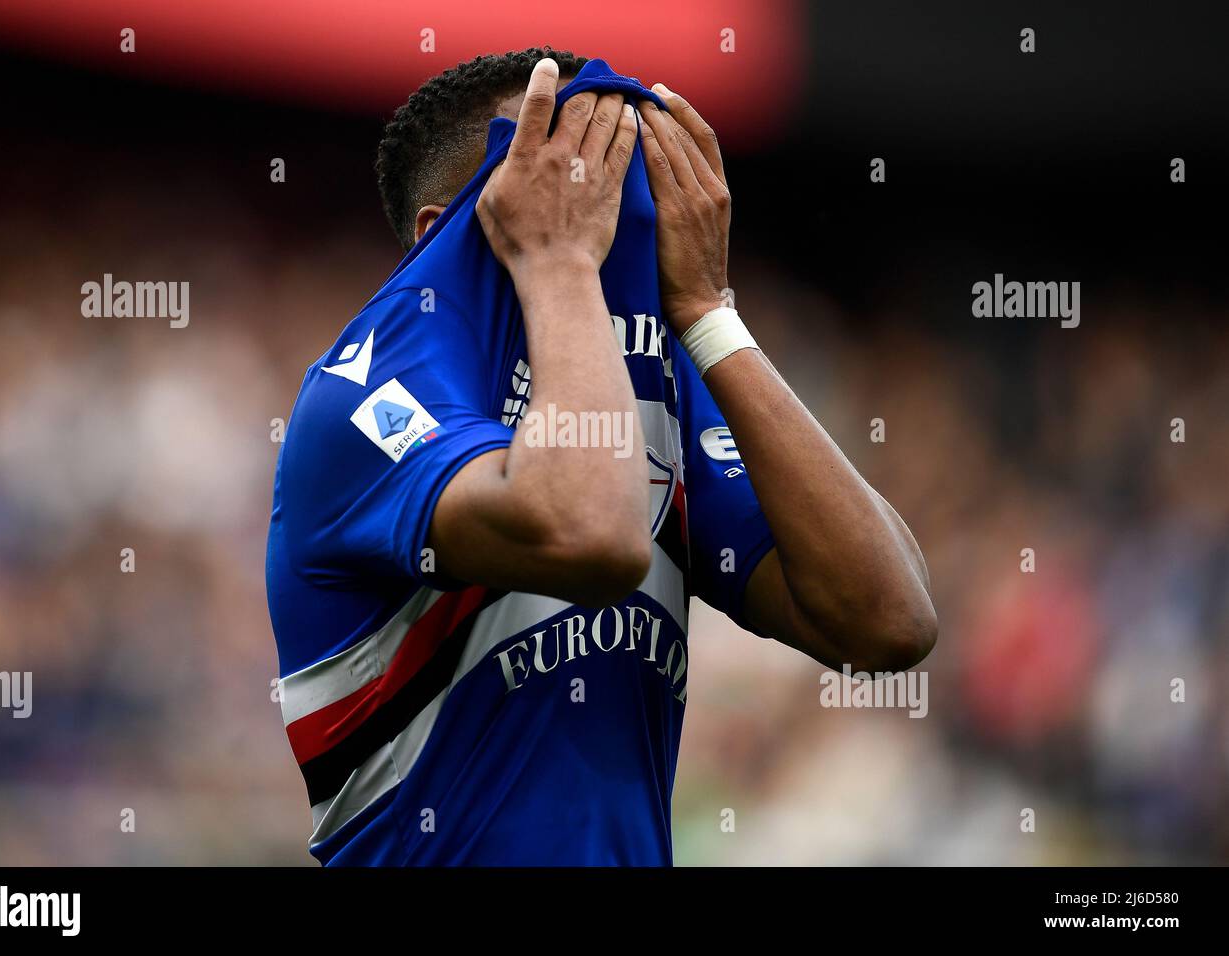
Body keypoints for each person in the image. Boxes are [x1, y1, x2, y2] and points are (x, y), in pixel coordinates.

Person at [266, 48, 936, 865]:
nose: (598, 225)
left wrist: (707, 313)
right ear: (442, 232)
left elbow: (889, 622)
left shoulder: (649, 385)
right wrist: (555, 261)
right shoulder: (361, 395)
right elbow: (595, 536)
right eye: (555, 185)